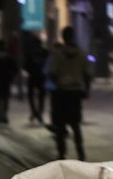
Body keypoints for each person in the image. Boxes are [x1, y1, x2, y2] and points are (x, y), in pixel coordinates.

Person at [46, 26, 93, 161]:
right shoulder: (82, 53)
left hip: (61, 93)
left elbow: (52, 73)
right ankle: (80, 153)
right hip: (75, 92)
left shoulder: (57, 54)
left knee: (60, 126)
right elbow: (88, 74)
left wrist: (57, 84)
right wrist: (86, 90)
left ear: (63, 37)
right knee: (75, 124)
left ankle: (62, 154)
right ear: (73, 37)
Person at [23, 35, 48, 125]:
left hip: (33, 76)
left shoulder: (30, 53)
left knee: (30, 95)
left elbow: (26, 66)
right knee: (41, 96)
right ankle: (39, 112)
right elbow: (48, 64)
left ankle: (34, 111)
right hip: (42, 77)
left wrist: (30, 70)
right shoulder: (45, 52)